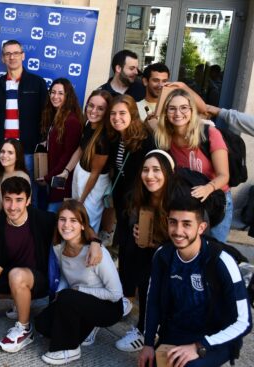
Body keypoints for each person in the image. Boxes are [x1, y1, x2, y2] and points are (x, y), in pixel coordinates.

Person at [0, 178, 103, 354]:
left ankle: (24, 329)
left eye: (19, 200)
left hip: (39, 278)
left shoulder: (42, 219)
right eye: (8, 199)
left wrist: (95, 242)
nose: (12, 206)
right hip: (11, 275)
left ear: (28, 200)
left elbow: (81, 225)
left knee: (17, 276)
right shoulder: (0, 222)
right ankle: (19, 299)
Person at [137, 191, 251, 367]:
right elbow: (153, 302)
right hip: (177, 332)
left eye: (186, 224)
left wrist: (199, 346)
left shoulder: (221, 261)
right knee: (149, 363)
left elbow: (244, 322)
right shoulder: (163, 256)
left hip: (214, 337)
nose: (178, 231)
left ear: (201, 228)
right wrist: (148, 343)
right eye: (173, 222)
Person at [36, 200, 123, 365]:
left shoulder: (97, 253)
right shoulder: (59, 248)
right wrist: (60, 292)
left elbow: (116, 294)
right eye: (62, 219)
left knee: (69, 298)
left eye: (73, 220)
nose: (66, 225)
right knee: (42, 324)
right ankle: (89, 323)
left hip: (108, 306)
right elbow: (64, 275)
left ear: (83, 225)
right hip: (79, 302)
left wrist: (77, 290)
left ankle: (70, 349)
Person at [114, 150, 175, 353]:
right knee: (135, 255)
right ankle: (144, 326)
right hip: (150, 254)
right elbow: (134, 225)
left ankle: (149, 330)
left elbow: (186, 243)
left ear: (167, 172)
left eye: (156, 170)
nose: (150, 175)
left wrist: (157, 244)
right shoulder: (138, 196)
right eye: (146, 170)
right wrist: (136, 230)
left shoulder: (179, 200)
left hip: (177, 258)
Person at [155, 88, 231, 242]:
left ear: (192, 110)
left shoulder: (209, 133)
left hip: (216, 200)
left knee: (213, 249)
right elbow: (153, 118)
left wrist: (208, 188)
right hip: (189, 202)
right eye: (172, 108)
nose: (178, 113)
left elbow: (224, 175)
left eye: (184, 108)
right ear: (166, 112)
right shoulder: (166, 137)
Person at [107, 94, 155, 319]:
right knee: (125, 248)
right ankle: (126, 294)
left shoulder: (144, 140)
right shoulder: (119, 137)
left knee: (133, 250)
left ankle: (130, 298)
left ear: (132, 115)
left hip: (138, 205)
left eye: (122, 113)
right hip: (124, 203)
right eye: (113, 114)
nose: (117, 118)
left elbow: (146, 178)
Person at [0, 39, 48, 205]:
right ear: (3, 59)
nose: (12, 57)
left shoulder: (37, 83)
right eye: (7, 54)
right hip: (4, 150)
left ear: (23, 56)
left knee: (30, 192)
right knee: (3, 191)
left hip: (28, 149)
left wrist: (42, 139)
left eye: (15, 53)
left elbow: (47, 114)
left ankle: (30, 227)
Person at [59, 90, 112, 232]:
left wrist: (81, 200)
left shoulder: (103, 138)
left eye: (100, 108)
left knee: (87, 220)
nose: (93, 111)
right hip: (80, 173)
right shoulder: (89, 124)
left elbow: (95, 174)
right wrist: (66, 171)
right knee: (75, 219)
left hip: (93, 184)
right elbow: (80, 150)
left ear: (107, 111)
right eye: (91, 105)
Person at [40, 78, 83, 212]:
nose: (55, 96)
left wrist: (48, 177)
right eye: (53, 92)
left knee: (54, 216)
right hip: (54, 178)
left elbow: (68, 154)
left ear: (67, 96)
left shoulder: (71, 121)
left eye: (60, 93)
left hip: (61, 183)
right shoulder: (58, 115)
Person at [0, 139, 30, 219]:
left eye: (10, 152)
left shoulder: (22, 177)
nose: (4, 155)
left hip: (6, 224)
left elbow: (21, 208)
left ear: (17, 157)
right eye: (2, 152)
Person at [136, 63, 170, 131]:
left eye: (164, 81)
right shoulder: (134, 107)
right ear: (145, 81)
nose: (160, 85)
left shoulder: (171, 108)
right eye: (156, 80)